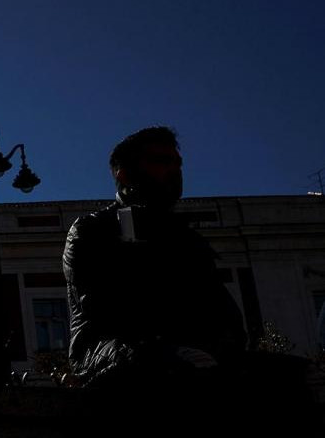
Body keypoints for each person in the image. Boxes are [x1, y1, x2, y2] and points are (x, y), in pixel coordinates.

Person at [64, 126, 316, 435]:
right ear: (124, 173)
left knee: (291, 376)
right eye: (160, 162)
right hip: (113, 353)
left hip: (192, 356)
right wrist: (167, 345)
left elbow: (226, 317)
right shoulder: (93, 231)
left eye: (176, 163)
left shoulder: (187, 240)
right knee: (165, 373)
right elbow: (107, 312)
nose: (173, 171)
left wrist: (214, 349)